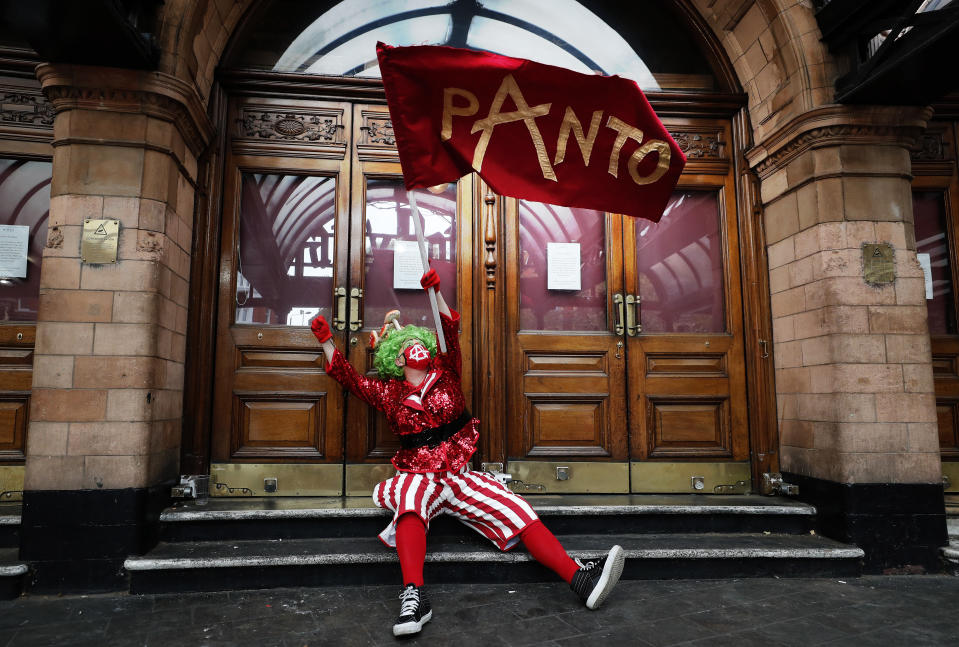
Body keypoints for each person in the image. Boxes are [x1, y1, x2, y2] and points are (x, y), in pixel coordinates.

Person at [310, 267, 624, 637]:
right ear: (397, 360)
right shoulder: (388, 393)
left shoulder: (447, 370)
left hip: (459, 476)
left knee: (518, 509)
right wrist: (327, 342)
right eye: (410, 345)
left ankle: (580, 580)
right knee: (410, 496)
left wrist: (436, 293)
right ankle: (415, 596)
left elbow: (450, 330)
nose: (420, 347)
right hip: (418, 476)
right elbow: (350, 378)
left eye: (421, 342)